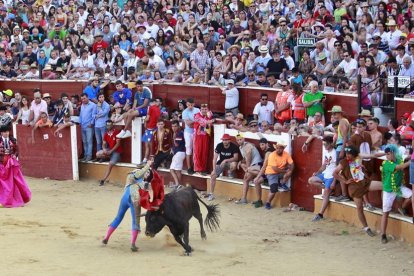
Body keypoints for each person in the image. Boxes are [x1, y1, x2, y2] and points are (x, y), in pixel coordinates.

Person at [102, 160, 160, 252]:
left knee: (119, 218)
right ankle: (132, 243)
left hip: (125, 198)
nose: (147, 174)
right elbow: (139, 177)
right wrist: (148, 165)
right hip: (133, 199)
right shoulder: (137, 173)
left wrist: (152, 205)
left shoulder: (135, 177)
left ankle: (106, 238)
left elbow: (147, 195)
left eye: (148, 173)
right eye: (147, 172)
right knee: (134, 222)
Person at [333, 146, 382, 237]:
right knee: (359, 208)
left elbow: (372, 155)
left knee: (383, 186)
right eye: (347, 153)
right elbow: (334, 173)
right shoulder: (343, 162)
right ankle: (366, 228)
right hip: (354, 187)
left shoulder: (358, 157)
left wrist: (384, 153)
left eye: (349, 154)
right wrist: (344, 181)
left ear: (354, 154)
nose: (347, 155)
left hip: (365, 183)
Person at [379, 145, 411, 244]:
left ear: (393, 153)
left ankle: (402, 208)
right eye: (386, 154)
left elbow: (406, 158)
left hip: (398, 188)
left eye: (388, 154)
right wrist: (412, 161)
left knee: (412, 195)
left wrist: (411, 156)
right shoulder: (386, 164)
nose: (387, 156)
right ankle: (383, 234)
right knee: (385, 213)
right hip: (389, 191)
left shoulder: (399, 159)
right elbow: (400, 167)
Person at [0, 125, 31, 208]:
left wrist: (14, 155)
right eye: (4, 132)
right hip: (1, 163)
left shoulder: (13, 140)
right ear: (1, 133)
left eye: (7, 132)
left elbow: (17, 150)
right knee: (2, 183)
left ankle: (18, 199)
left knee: (14, 181)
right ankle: (2, 200)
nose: (6, 133)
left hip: (11, 163)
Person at [308, 136, 337, 221]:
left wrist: (334, 182)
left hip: (331, 176)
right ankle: (327, 189)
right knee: (311, 180)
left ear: (331, 143)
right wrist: (317, 172)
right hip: (325, 174)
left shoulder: (335, 153)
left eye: (325, 144)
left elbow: (338, 168)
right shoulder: (327, 152)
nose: (324, 146)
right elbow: (324, 165)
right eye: (323, 144)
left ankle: (320, 214)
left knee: (325, 195)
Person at [260, 141, 294, 209]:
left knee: (290, 171)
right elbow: (275, 169)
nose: (278, 150)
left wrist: (290, 169)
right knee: (274, 189)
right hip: (271, 173)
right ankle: (268, 202)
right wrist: (285, 171)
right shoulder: (272, 155)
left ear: (283, 149)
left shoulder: (286, 154)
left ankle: (282, 183)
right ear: (276, 148)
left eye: (280, 148)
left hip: (280, 172)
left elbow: (292, 164)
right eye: (277, 148)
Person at [207, 134, 239, 201]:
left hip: (230, 162)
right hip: (221, 163)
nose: (225, 141)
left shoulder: (234, 146)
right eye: (224, 140)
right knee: (213, 176)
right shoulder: (219, 145)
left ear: (229, 140)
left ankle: (230, 172)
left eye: (226, 140)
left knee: (234, 164)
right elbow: (214, 159)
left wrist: (226, 160)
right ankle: (211, 194)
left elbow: (236, 158)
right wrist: (214, 170)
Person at [235, 133, 263, 205]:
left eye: (240, 139)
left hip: (257, 165)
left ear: (243, 139)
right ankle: (243, 198)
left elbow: (249, 159)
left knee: (246, 179)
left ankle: (244, 199)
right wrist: (240, 162)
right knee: (242, 165)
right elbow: (245, 159)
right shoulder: (241, 147)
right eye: (238, 140)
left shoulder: (247, 145)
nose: (239, 141)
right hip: (253, 165)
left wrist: (247, 169)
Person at [96, 120, 122, 186]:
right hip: (110, 151)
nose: (108, 126)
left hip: (116, 152)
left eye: (110, 125)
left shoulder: (116, 132)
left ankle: (103, 180)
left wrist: (110, 151)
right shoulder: (106, 134)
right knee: (98, 154)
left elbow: (118, 144)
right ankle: (108, 157)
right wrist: (104, 149)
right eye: (107, 125)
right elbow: (104, 143)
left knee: (110, 164)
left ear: (112, 125)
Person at [193, 104, 214, 174]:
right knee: (198, 152)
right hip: (198, 137)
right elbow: (204, 122)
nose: (204, 111)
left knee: (204, 152)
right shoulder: (197, 115)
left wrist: (210, 120)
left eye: (206, 109)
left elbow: (209, 123)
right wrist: (212, 120)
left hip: (205, 136)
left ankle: (203, 169)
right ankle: (197, 169)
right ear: (200, 110)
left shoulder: (208, 115)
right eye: (203, 109)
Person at [182, 98, 200, 174]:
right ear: (186, 104)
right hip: (188, 133)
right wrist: (196, 121)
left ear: (194, 104)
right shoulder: (184, 112)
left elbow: (199, 121)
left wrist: (194, 123)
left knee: (196, 149)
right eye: (189, 105)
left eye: (191, 105)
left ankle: (195, 166)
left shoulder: (197, 110)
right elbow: (188, 124)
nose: (190, 106)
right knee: (189, 149)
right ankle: (189, 167)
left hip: (196, 132)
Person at [79, 93, 97, 162]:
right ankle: (85, 155)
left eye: (84, 98)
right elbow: (81, 115)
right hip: (83, 126)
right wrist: (80, 122)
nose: (83, 100)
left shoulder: (93, 105)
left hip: (89, 126)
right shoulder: (82, 105)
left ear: (88, 97)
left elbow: (94, 115)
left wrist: (91, 123)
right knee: (84, 141)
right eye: (82, 99)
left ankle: (89, 156)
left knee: (89, 141)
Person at [169, 120, 186, 187]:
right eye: (172, 126)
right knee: (178, 170)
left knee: (172, 170)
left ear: (178, 126)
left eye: (175, 126)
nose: (173, 128)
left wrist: (173, 138)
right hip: (180, 153)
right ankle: (178, 184)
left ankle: (177, 184)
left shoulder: (179, 133)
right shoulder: (179, 133)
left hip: (179, 153)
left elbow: (176, 144)